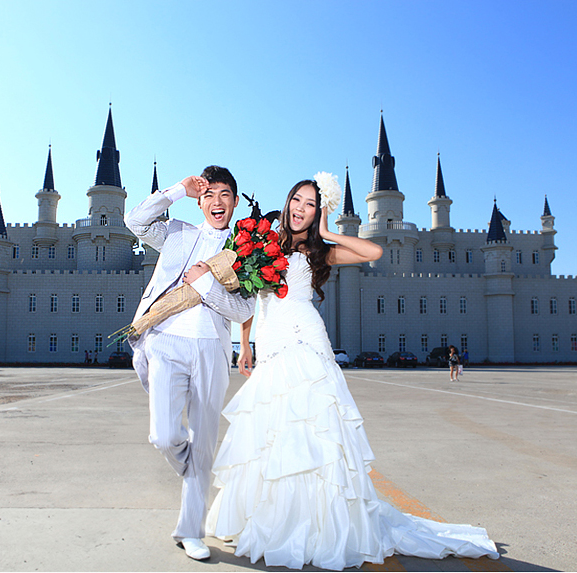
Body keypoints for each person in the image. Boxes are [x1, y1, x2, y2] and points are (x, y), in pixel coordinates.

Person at [206, 178, 498, 570]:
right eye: (297, 199)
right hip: (271, 341)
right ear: (287, 201)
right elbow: (248, 296)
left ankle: (317, 527)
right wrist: (245, 344)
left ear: (317, 211)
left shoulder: (320, 252)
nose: (300, 208)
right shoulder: (261, 242)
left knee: (313, 429)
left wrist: (326, 233)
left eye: (310, 204)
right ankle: (273, 519)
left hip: (305, 341)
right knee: (272, 430)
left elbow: (373, 250)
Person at [124, 166, 256, 561]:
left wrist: (204, 284)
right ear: (201, 201)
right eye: (209, 194)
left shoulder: (245, 251)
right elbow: (135, 220)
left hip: (211, 350)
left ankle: (190, 530)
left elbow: (243, 307)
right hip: (165, 341)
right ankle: (197, 468)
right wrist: (177, 190)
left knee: (203, 438)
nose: (217, 202)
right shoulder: (178, 233)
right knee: (165, 436)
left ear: (235, 201)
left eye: (225, 194)